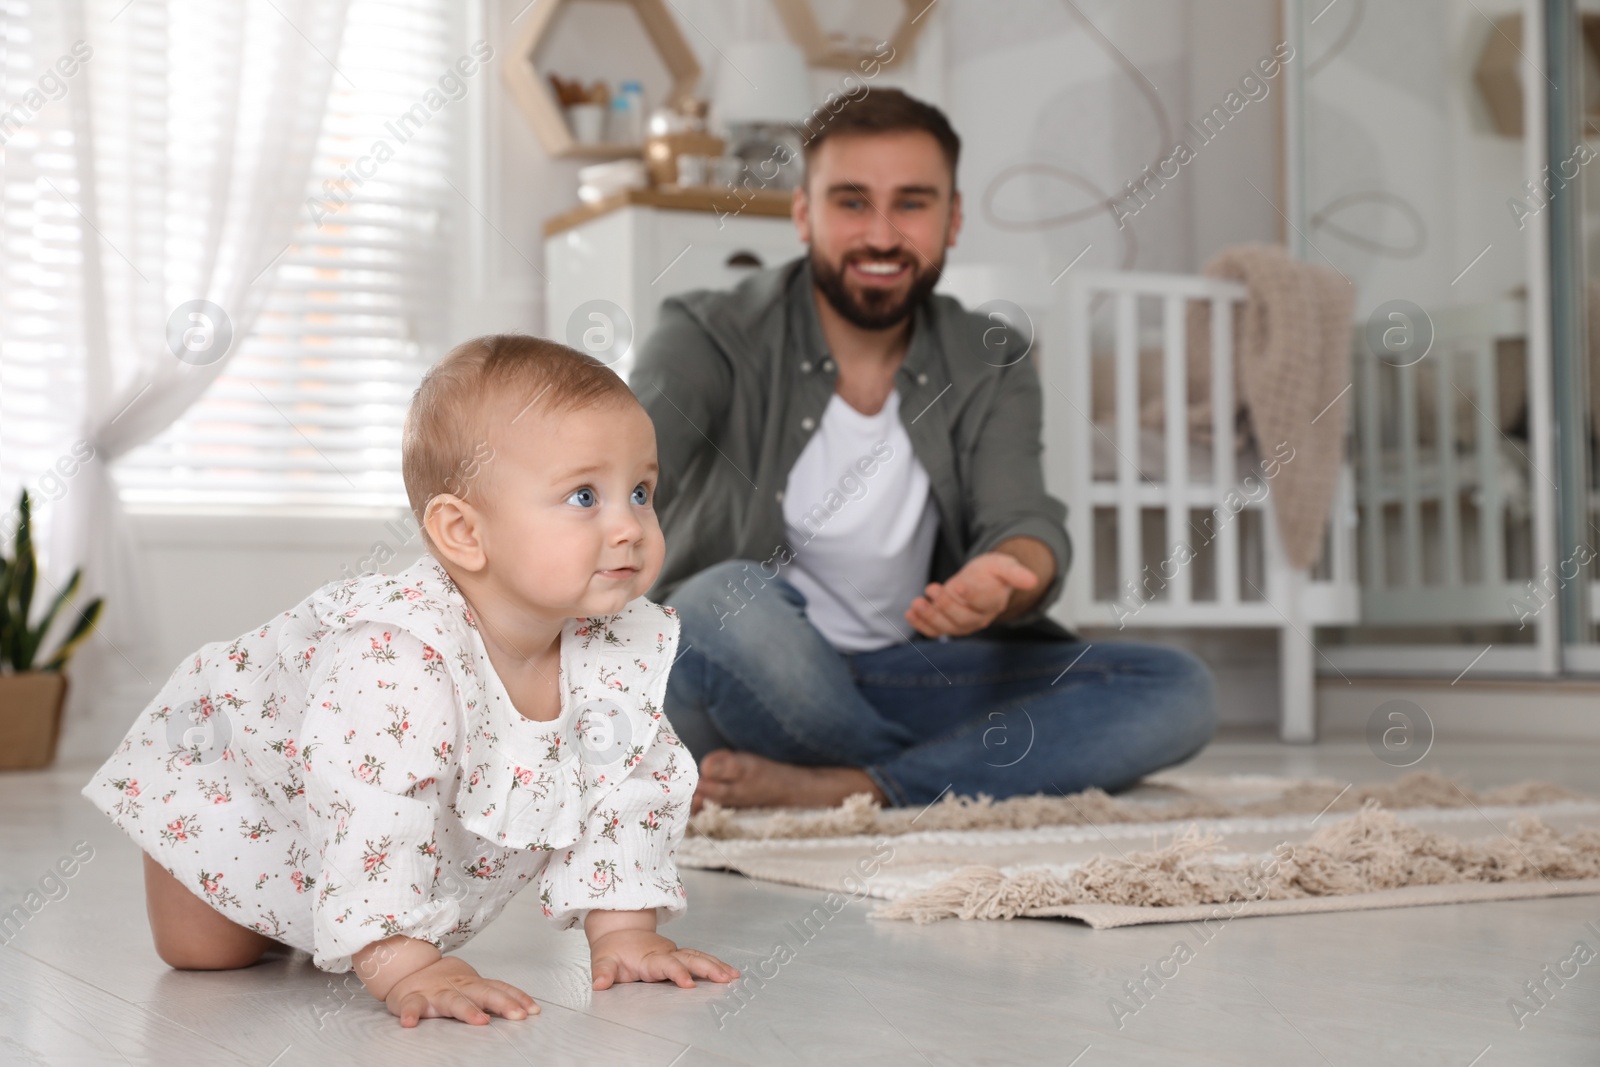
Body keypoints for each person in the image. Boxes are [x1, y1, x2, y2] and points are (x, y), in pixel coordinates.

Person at [81, 335, 738, 1027]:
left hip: (334, 814)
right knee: (210, 953)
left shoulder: (613, 651)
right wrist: (405, 960)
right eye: (584, 495)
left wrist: (626, 929)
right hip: (238, 765)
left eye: (641, 491)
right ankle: (310, 908)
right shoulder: (397, 657)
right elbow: (373, 803)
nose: (629, 526)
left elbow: (628, 784)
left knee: (316, 913)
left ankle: (332, 912)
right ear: (462, 531)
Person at [630, 89, 1218, 812]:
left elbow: (1023, 520)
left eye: (911, 204)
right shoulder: (706, 331)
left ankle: (864, 786)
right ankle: (952, 774)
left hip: (904, 677)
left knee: (1177, 688)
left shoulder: (991, 359)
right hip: (729, 671)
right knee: (723, 599)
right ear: (804, 214)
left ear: (953, 219)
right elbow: (616, 479)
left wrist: (1008, 576)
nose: (882, 235)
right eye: (851, 203)